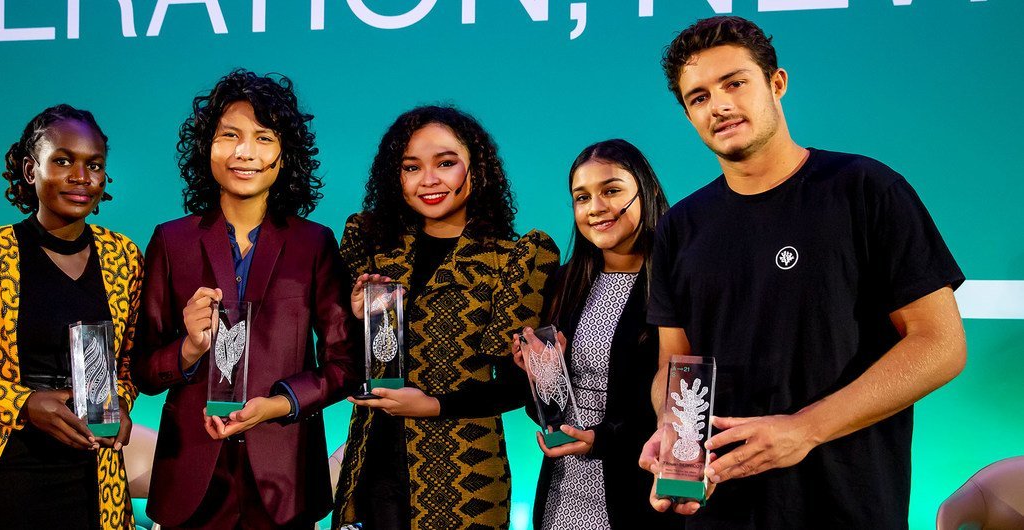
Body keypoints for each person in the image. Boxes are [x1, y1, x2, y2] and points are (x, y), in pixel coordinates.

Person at [639, 16, 967, 529]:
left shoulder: (864, 189)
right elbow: (673, 364)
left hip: (845, 504)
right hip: (720, 509)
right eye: (698, 97)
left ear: (776, 83)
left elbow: (940, 345)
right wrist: (673, 431)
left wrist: (804, 430)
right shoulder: (680, 226)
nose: (719, 105)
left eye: (734, 83)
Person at [131, 68, 360, 530]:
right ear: (207, 148)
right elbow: (143, 370)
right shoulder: (171, 241)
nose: (245, 152)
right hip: (191, 478)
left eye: (263, 138)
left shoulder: (314, 244)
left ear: (284, 154)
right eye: (229, 135)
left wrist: (277, 404)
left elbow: (345, 364)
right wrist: (189, 349)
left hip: (286, 477)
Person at [0, 104, 141, 530]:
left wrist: (119, 406)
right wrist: (24, 404)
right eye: (63, 160)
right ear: (30, 169)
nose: (80, 177)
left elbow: (127, 365)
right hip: (4, 470)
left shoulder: (123, 256)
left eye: (94, 165)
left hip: (91, 472)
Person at [331, 105, 560, 529]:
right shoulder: (371, 246)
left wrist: (432, 406)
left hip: (466, 477)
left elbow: (515, 387)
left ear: (478, 168)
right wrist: (353, 317)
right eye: (411, 167)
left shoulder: (516, 259)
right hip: (373, 468)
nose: (429, 180)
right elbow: (338, 359)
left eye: (446, 163)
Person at [513, 139, 681, 530]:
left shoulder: (675, 282)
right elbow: (546, 406)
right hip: (563, 488)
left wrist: (602, 440)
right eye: (582, 197)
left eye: (611, 191)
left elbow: (682, 393)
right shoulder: (564, 282)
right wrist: (540, 377)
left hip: (637, 487)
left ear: (646, 190)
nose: (596, 208)